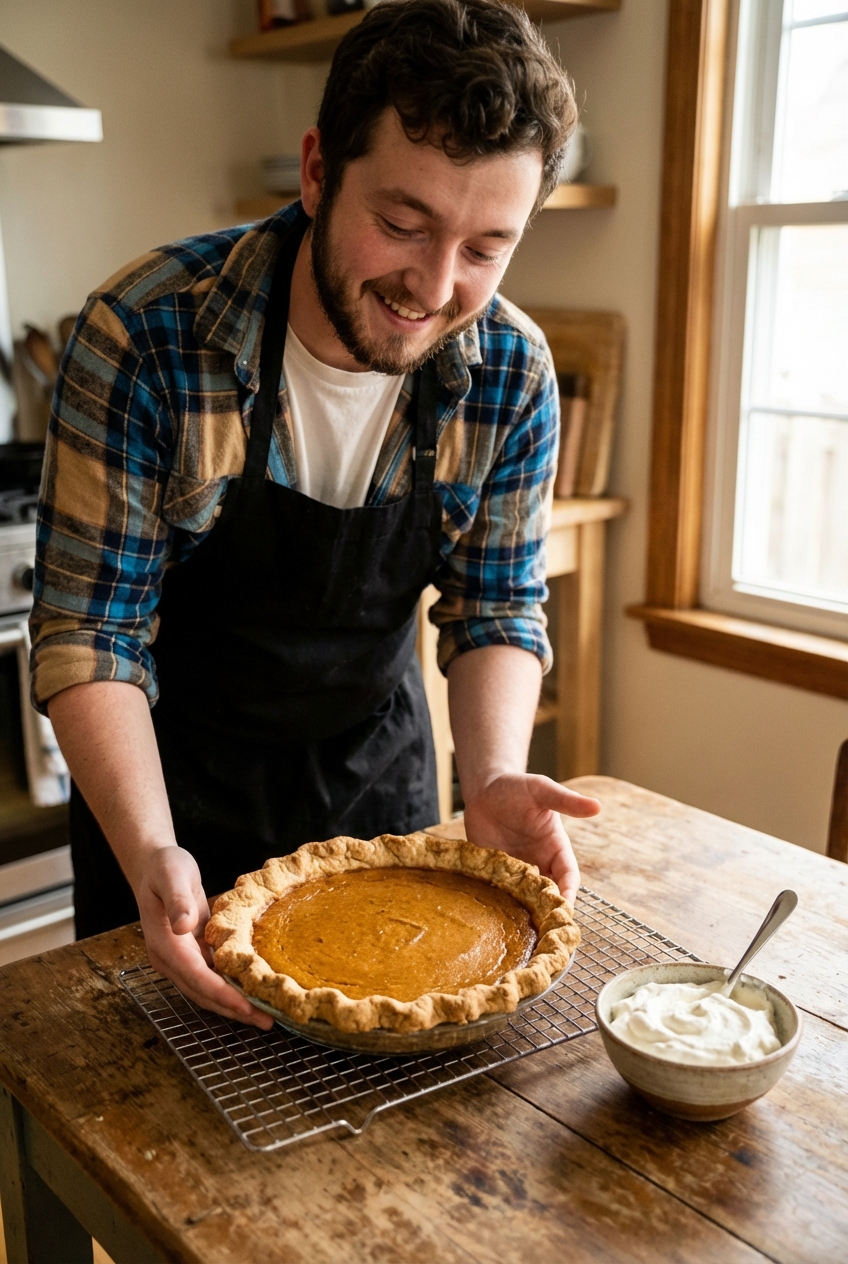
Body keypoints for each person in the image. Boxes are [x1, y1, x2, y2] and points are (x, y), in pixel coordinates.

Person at [30, 0, 601, 1031]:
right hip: (168, 803)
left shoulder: (509, 373)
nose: (432, 287)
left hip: (373, 787)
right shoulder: (149, 334)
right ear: (314, 171)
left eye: (484, 246)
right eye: (401, 223)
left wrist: (496, 774)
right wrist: (154, 847)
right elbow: (88, 630)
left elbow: (493, 611)